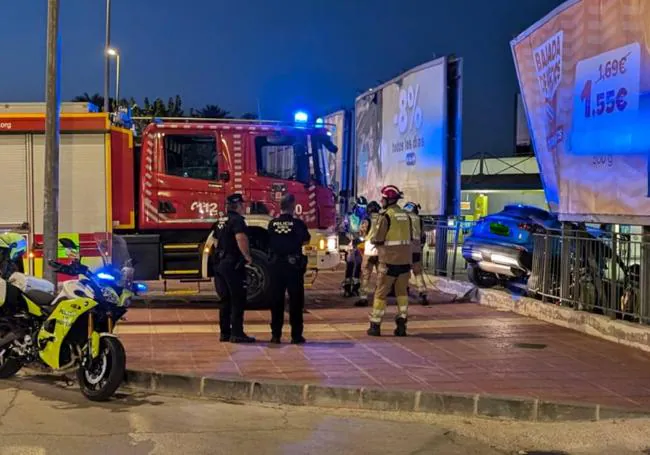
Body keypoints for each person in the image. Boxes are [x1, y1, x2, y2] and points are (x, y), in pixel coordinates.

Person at [368, 185, 412, 337]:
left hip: (389, 261)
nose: (381, 201)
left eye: (383, 198)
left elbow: (379, 238)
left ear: (389, 199)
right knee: (402, 293)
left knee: (381, 293)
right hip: (405, 262)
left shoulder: (385, 216)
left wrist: (373, 239)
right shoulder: (406, 215)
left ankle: (375, 325)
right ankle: (402, 324)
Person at [210, 193, 255, 343]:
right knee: (237, 298)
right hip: (232, 264)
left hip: (220, 263)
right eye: (243, 205)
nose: (244, 207)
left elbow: (215, 241)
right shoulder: (237, 221)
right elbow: (240, 238)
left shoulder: (220, 221)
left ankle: (225, 333)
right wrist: (247, 256)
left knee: (224, 299)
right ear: (239, 206)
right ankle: (237, 333)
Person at [267, 194, 311, 344]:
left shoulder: (272, 224)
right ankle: (296, 335)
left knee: (276, 300)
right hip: (293, 266)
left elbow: (269, 241)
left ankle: (275, 335)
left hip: (276, 266)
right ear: (292, 206)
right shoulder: (298, 224)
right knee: (296, 301)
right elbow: (306, 240)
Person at [355, 200, 381, 307]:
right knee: (381, 276)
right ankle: (379, 297)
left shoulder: (366, 220)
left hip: (369, 250)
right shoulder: (383, 219)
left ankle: (363, 298)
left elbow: (362, 233)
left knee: (365, 275)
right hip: (381, 251)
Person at [404, 202, 428, 305]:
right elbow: (423, 236)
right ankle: (422, 292)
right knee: (417, 272)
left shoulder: (405, 219)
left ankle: (405, 289)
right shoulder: (420, 220)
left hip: (406, 248)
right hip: (417, 249)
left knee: (405, 271)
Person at [341, 196, 367, 297]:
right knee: (350, 266)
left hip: (361, 246)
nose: (362, 209)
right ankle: (347, 289)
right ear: (356, 206)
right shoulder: (349, 217)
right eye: (360, 207)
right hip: (352, 245)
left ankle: (356, 288)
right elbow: (343, 229)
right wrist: (350, 238)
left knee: (358, 267)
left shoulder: (365, 218)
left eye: (364, 207)